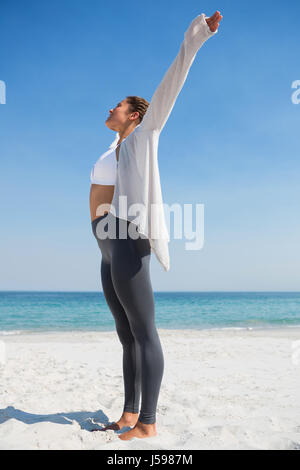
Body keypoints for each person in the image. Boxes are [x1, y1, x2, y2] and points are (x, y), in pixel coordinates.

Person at [90, 11, 223, 441]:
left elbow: (171, 82)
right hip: (109, 244)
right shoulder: (117, 146)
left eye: (119, 105)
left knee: (145, 332)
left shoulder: (145, 135)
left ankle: (148, 423)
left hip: (128, 239)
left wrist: (196, 37)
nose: (112, 107)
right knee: (125, 334)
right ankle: (129, 414)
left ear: (134, 116)